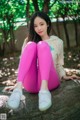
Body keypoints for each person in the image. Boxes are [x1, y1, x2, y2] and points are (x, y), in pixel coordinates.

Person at [7, 11, 79, 111]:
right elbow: (23, 63)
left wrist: (63, 75)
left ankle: (44, 91)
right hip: (31, 85)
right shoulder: (28, 41)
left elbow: (58, 64)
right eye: (35, 26)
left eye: (41, 24)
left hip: (49, 81)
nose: (39, 28)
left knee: (42, 45)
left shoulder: (57, 41)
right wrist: (17, 82)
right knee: (31, 45)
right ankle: (18, 90)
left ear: (48, 24)